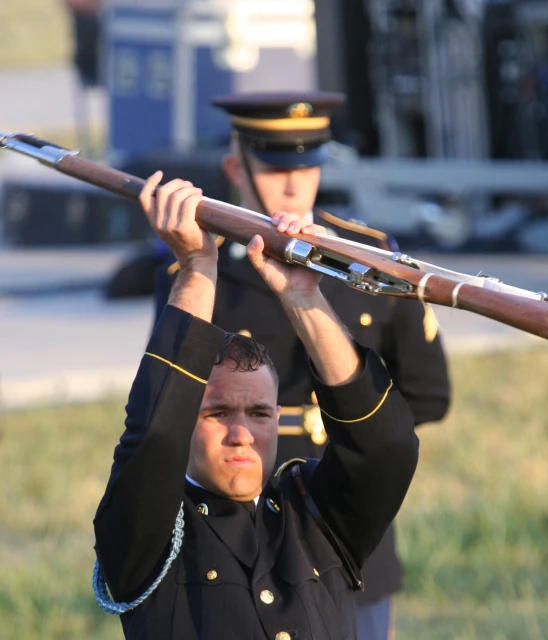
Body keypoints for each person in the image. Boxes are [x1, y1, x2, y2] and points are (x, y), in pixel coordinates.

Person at [153, 91, 451, 638]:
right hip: (236, 516)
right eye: (273, 165)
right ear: (233, 167)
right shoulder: (199, 269)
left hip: (342, 513)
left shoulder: (367, 257)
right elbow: (168, 407)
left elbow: (430, 393)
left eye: (309, 163)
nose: (294, 183)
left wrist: (356, 435)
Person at [92, 173, 419, 640]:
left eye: (260, 413)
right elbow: (156, 437)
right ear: (187, 416)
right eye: (218, 413)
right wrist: (197, 268)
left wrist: (304, 296)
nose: (242, 433)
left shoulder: (314, 518)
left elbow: (385, 446)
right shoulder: (148, 532)